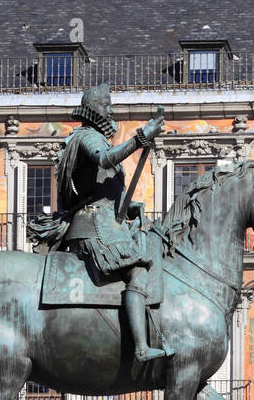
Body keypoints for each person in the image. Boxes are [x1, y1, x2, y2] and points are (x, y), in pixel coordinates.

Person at [30, 83, 169, 377]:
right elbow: (105, 160)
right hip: (92, 226)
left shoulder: (96, 139)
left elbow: (102, 191)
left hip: (104, 220)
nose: (112, 110)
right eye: (108, 105)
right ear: (95, 109)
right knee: (138, 271)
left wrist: (129, 206)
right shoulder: (86, 137)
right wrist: (141, 138)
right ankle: (142, 348)